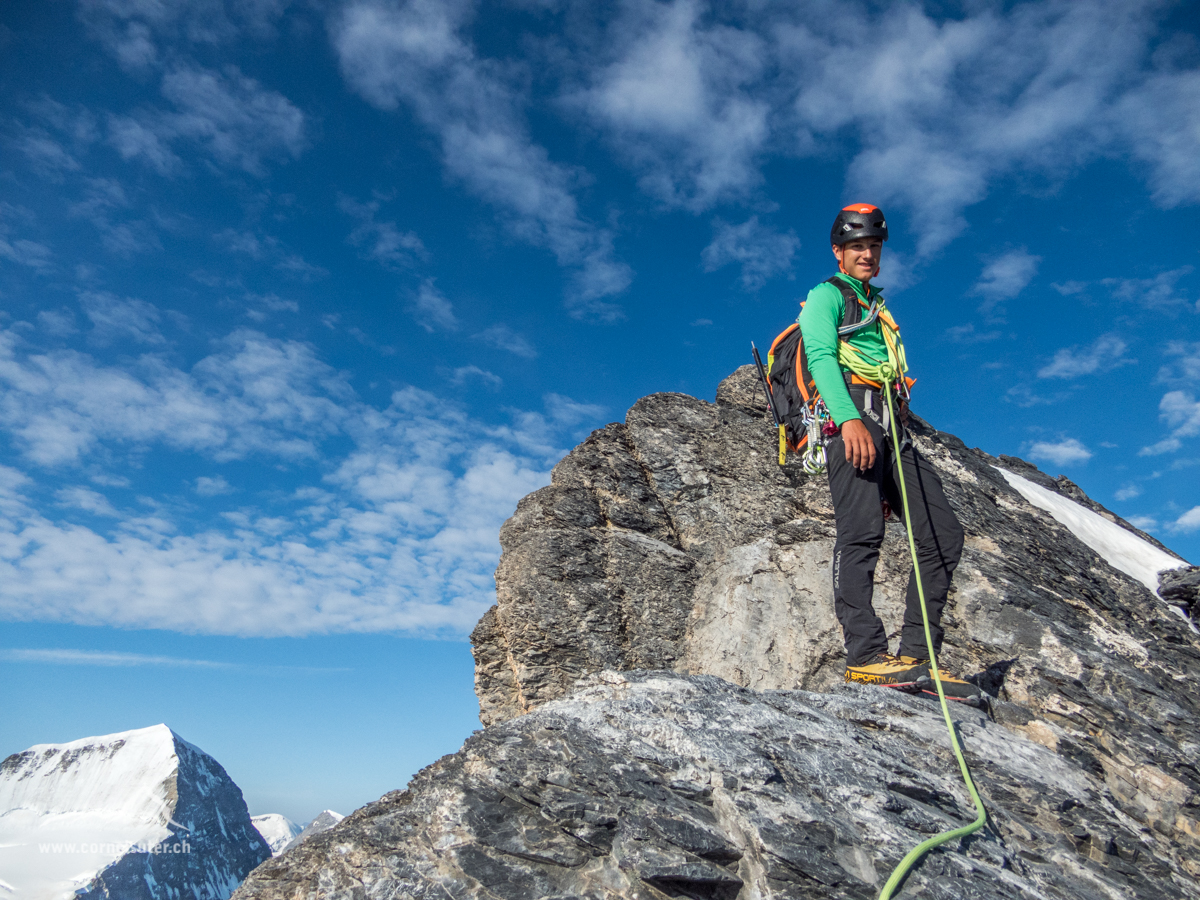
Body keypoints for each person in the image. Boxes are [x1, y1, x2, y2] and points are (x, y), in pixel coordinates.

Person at [798, 203, 979, 703]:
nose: (867, 253)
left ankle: (918, 657)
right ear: (838, 251)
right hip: (853, 415)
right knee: (861, 534)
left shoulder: (876, 306)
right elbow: (819, 355)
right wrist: (849, 418)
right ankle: (865, 656)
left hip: (892, 426)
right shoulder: (826, 296)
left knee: (942, 532)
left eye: (873, 246)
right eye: (857, 246)